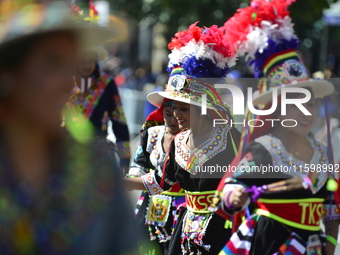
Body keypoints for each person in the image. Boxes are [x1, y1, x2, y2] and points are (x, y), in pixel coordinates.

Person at [0, 2, 139, 254]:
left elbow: (118, 120)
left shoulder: (99, 173)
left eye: (71, 64)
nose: (69, 83)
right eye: (53, 63)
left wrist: (125, 158)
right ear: (7, 73)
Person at [213, 1, 340, 254]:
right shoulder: (263, 150)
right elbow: (230, 187)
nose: (306, 113)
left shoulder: (322, 152)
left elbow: (331, 206)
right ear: (278, 109)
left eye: (311, 104)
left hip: (312, 247)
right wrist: (234, 195)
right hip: (269, 243)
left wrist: (330, 244)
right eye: (295, 105)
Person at [140, 23, 241, 255]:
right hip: (184, 230)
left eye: (184, 109)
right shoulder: (178, 142)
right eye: (173, 108)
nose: (176, 115)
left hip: (219, 229)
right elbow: (160, 182)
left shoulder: (231, 138)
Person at [126, 98, 185, 255]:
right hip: (151, 205)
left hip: (183, 206)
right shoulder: (152, 134)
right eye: (168, 114)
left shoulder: (191, 139)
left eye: (179, 114)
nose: (173, 120)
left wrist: (126, 183)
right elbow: (140, 164)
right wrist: (133, 178)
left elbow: (162, 180)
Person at [67, 46, 131, 173]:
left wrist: (125, 158)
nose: (86, 66)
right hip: (67, 150)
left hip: (99, 152)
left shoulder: (107, 83)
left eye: (89, 61)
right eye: (82, 61)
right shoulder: (64, 81)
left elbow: (119, 120)